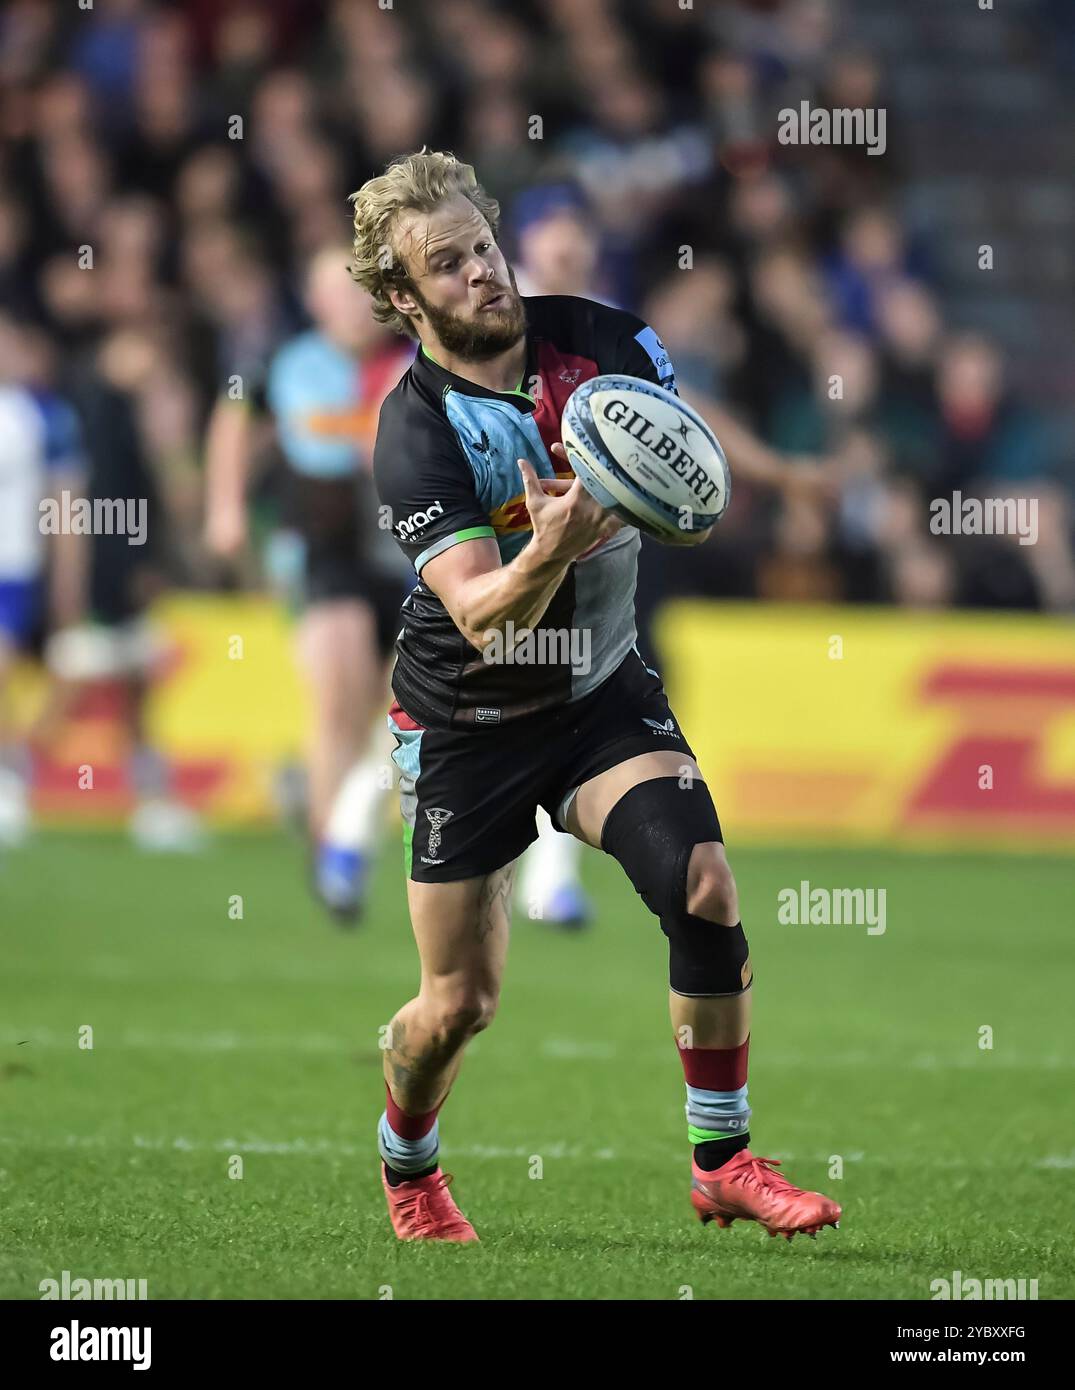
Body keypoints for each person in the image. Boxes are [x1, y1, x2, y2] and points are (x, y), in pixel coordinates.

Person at [351, 149, 841, 1243]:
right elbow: (482, 613)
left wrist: (652, 507)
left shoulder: (610, 343)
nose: (482, 272)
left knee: (705, 885)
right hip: (465, 723)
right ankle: (409, 1166)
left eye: (482, 244)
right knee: (456, 1006)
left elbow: (687, 492)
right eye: (448, 264)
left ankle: (723, 1161)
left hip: (597, 696)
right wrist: (555, 542)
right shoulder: (416, 431)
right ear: (403, 298)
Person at [204, 246, 414, 919]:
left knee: (405, 711)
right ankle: (332, 860)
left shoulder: (415, 361)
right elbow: (234, 419)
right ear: (314, 301)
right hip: (320, 549)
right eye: (336, 292)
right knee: (336, 698)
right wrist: (226, 506)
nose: (351, 306)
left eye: (361, 292)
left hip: (406, 553)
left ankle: (344, 824)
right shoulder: (286, 364)